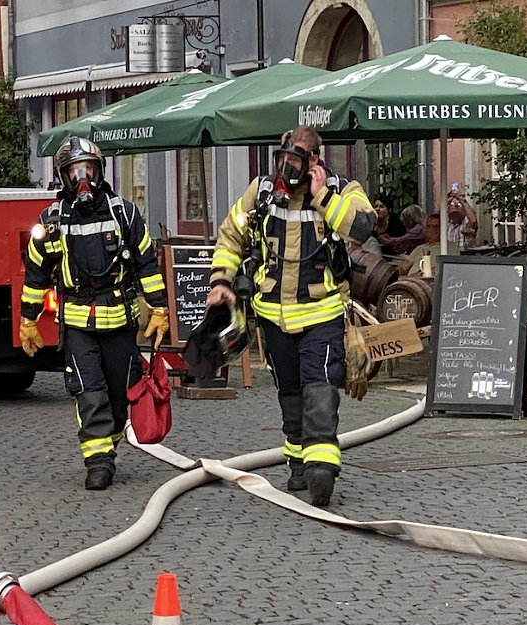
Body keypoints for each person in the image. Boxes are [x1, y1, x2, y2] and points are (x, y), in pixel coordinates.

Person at [205, 126, 376, 507]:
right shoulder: (262, 191)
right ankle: (297, 461)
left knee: (321, 389)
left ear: (314, 161)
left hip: (322, 314)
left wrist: (322, 196)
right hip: (273, 317)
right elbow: (231, 236)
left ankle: (322, 469)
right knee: (291, 393)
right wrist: (221, 281)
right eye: (282, 159)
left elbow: (363, 227)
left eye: (295, 161)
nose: (286, 168)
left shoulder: (342, 190)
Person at [19, 136, 169, 491]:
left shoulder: (124, 213)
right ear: (64, 177)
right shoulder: (52, 221)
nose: (82, 178)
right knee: (89, 392)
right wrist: (28, 318)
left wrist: (159, 308)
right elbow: (36, 273)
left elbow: (146, 264)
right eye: (74, 172)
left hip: (120, 319)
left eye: (87, 169)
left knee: (119, 395)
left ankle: (109, 445)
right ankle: (98, 461)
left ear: (99, 171)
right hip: (78, 323)